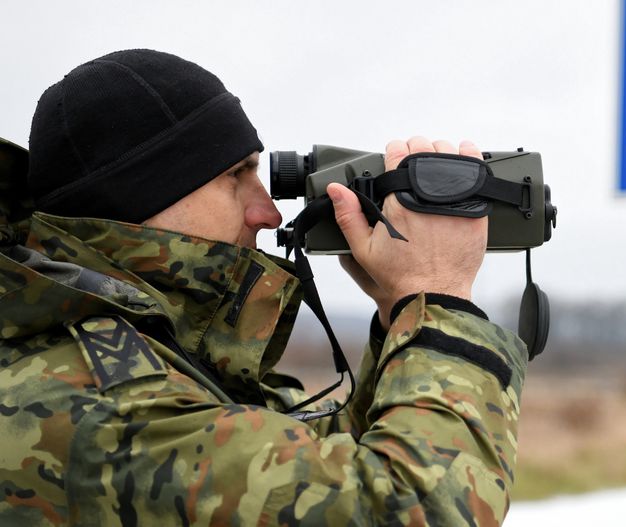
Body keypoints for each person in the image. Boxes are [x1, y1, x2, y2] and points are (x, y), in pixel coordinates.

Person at [0, 49, 527, 526]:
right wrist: (439, 298)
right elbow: (409, 509)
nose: (268, 212)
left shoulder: (154, 353)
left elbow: (315, 467)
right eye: (236, 175)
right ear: (142, 199)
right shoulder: (104, 406)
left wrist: (402, 312)